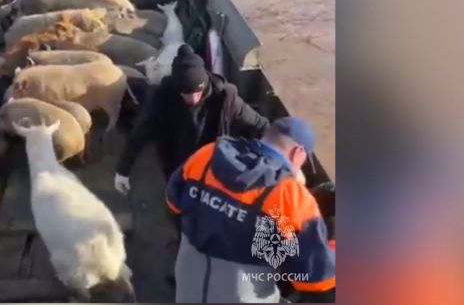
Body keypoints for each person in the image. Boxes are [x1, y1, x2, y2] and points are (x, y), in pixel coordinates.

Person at [166, 118, 336, 303]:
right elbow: (316, 276)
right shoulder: (289, 195)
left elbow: (173, 201)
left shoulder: (208, 155)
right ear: (298, 153)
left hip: (190, 285)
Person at [114, 44, 269, 194]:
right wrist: (123, 169)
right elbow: (141, 130)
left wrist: (276, 160)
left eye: (198, 91)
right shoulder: (162, 97)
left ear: (205, 83)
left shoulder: (226, 99)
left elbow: (260, 124)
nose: (193, 99)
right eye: (185, 93)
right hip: (177, 168)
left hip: (212, 169)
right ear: (176, 88)